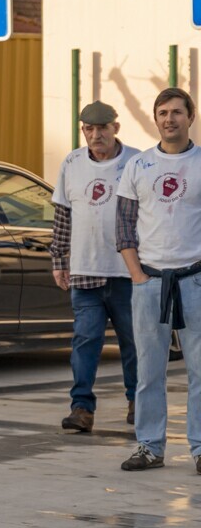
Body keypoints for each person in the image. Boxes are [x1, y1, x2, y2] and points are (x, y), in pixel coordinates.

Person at [117, 87, 201, 473]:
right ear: (155, 119)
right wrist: (137, 275)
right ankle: (150, 446)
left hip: (194, 280)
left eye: (177, 112)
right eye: (163, 113)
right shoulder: (138, 165)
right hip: (149, 282)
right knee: (149, 371)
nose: (170, 119)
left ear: (190, 117)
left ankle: (200, 449)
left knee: (200, 370)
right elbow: (123, 225)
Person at [52, 102, 140, 433]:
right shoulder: (72, 163)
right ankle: (81, 409)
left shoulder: (136, 161)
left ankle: (137, 401)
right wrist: (59, 261)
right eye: (89, 129)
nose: (96, 134)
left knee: (134, 342)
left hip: (128, 271)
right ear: (83, 131)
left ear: (116, 128)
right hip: (85, 270)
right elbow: (63, 214)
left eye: (103, 127)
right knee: (85, 341)